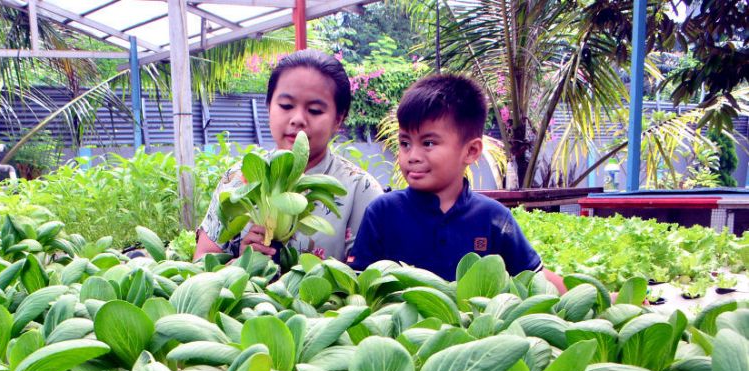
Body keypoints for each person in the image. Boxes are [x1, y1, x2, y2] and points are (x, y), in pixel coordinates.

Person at [348, 74, 566, 293]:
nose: (411, 156)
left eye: (428, 143)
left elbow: (534, 279)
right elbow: (359, 288)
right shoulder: (382, 213)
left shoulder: (495, 219)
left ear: (471, 151)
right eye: (405, 143)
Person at [194, 50, 385, 261]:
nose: (298, 119)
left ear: (338, 119)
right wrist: (242, 262)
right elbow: (202, 261)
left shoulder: (361, 190)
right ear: (268, 107)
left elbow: (371, 277)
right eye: (285, 106)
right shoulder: (238, 178)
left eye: (314, 110)